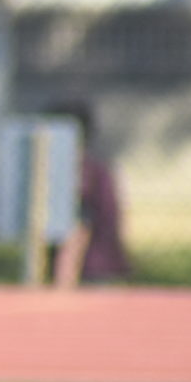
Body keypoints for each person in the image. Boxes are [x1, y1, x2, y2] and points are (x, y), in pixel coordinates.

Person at [46, 98, 129, 290]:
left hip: (88, 270)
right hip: (105, 264)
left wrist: (64, 278)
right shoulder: (99, 168)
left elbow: (79, 226)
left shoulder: (78, 172)